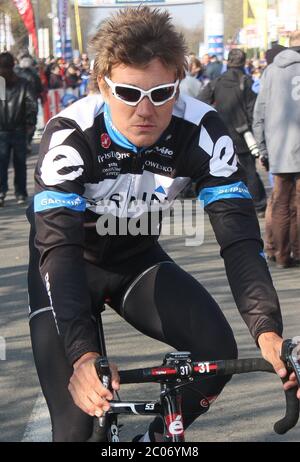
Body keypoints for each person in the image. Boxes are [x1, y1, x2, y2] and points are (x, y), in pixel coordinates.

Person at [26, 7, 299, 442]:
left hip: (136, 260)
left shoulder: (202, 131)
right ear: (101, 85)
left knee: (217, 351)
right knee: (77, 427)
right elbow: (56, 248)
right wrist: (82, 356)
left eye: (161, 93)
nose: (145, 109)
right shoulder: (71, 134)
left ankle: (152, 443)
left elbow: (239, 238)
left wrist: (267, 330)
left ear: (179, 84)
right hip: (68, 265)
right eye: (128, 93)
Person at [200, 48, 267, 216]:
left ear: (228, 62)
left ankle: (232, 203)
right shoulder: (247, 81)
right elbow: (254, 110)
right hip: (244, 134)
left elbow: (201, 100)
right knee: (249, 170)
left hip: (220, 134)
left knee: (225, 171)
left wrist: (213, 118)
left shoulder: (217, 81)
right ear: (243, 62)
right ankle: (258, 205)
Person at [252, 32, 300, 268]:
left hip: (280, 145)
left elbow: (259, 112)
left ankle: (281, 254)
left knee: (280, 201)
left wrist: (262, 148)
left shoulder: (271, 71)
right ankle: (299, 251)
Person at [0, 52, 37, 206]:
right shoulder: (21, 83)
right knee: (18, 163)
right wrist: (30, 123)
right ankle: (19, 193)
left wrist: (29, 123)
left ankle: (4, 192)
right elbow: (31, 105)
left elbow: (31, 105)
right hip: (16, 130)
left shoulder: (15, 84)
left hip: (8, 130)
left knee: (5, 163)